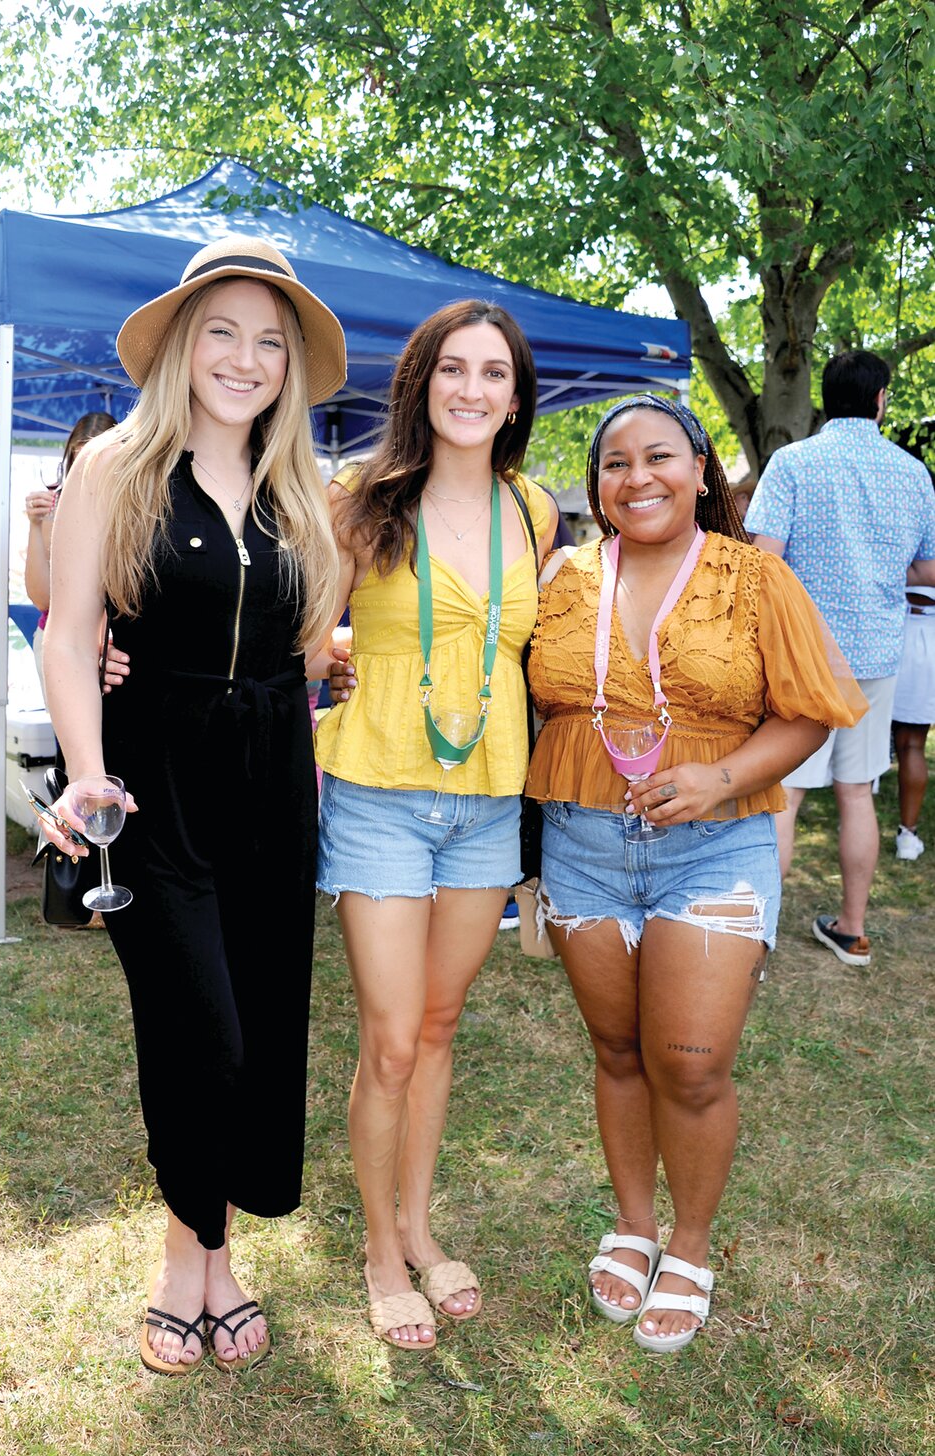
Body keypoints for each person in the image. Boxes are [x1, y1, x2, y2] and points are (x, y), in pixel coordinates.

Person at [38, 235, 347, 1374]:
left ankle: (219, 1256)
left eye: (269, 341)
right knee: (198, 1028)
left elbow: (308, 643)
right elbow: (68, 635)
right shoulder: (115, 466)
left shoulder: (301, 486)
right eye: (222, 329)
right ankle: (186, 1254)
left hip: (273, 770)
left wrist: (327, 663)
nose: (246, 357)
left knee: (262, 1024)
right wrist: (84, 767)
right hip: (151, 774)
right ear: (179, 341)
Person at [526, 394, 865, 1352]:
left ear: (702, 468)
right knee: (619, 1051)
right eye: (616, 463)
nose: (639, 478)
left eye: (660, 456)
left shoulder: (754, 579)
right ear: (595, 486)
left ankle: (690, 1241)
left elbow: (810, 709)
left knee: (693, 1062)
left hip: (716, 843)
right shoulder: (563, 579)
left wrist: (721, 775)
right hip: (583, 845)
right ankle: (634, 1225)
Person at [315, 300, 557, 1349]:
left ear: (515, 395)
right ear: (420, 382)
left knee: (438, 1026)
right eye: (451, 369)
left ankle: (419, 1223)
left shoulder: (535, 510)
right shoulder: (359, 500)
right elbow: (289, 626)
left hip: (488, 799)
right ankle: (376, 1247)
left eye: (491, 373)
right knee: (388, 1038)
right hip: (379, 794)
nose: (471, 389)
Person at [745, 351, 935, 965]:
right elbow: (929, 567)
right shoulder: (912, 473)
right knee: (857, 793)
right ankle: (852, 928)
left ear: (827, 398)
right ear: (880, 398)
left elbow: (764, 560)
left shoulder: (794, 463)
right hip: (878, 653)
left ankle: (758, 938)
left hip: (804, 655)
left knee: (785, 795)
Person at [23, 411, 122, 695]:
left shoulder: (133, 509)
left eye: (95, 459)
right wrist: (35, 525)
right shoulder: (56, 506)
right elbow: (43, 598)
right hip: (63, 642)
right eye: (78, 459)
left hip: (116, 645)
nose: (84, 470)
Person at [891, 580, 935, 859]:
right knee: (912, 744)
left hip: (891, 626)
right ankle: (907, 836)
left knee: (862, 734)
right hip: (925, 632)